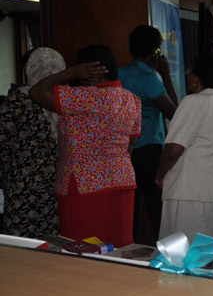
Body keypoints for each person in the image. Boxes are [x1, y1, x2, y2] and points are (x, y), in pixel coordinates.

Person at [29, 44, 141, 248]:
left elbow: (37, 91)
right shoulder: (132, 100)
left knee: (82, 249)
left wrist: (71, 73)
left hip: (83, 186)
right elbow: (131, 142)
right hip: (122, 181)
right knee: (119, 247)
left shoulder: (83, 97)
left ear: (89, 69)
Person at [155, 52, 213, 250]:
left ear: (197, 78)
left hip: (190, 193)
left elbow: (173, 149)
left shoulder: (194, 102)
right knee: (212, 260)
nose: (188, 75)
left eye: (190, 72)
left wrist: (160, 174)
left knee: (183, 259)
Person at [119, 25, 179, 245]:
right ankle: (163, 251)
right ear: (154, 51)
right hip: (148, 151)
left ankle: (129, 249)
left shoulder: (119, 73)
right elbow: (175, 113)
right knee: (156, 207)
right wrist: (166, 75)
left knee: (130, 207)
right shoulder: (150, 79)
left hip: (123, 150)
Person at [0, 48, 65, 238]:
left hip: (22, 189)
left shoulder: (14, 103)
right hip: (58, 189)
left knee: (24, 251)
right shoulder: (65, 101)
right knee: (56, 249)